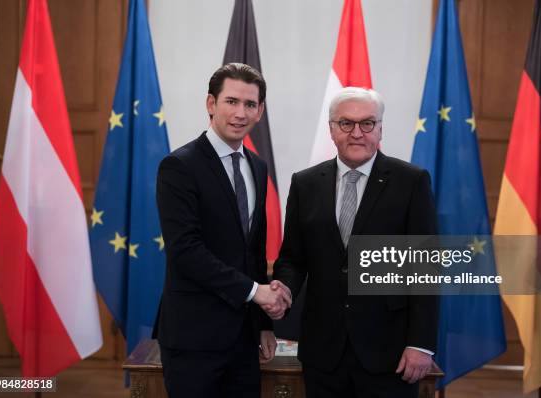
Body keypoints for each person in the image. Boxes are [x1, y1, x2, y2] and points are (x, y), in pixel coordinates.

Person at [272, 87, 439, 398]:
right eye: (346, 123)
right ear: (332, 129)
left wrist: (420, 344)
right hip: (323, 351)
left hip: (388, 351)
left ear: (380, 129)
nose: (357, 133)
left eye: (367, 123)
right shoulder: (305, 183)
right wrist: (282, 288)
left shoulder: (411, 182)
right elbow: (293, 258)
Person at [154, 63, 291, 398]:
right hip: (193, 337)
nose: (240, 113)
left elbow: (253, 253)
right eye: (231, 101)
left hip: (244, 339)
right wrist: (253, 292)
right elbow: (185, 251)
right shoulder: (179, 166)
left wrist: (263, 325)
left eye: (249, 104)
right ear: (211, 104)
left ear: (260, 111)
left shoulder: (257, 167)